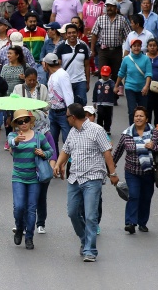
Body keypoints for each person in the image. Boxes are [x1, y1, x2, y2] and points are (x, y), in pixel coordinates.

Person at [53, 103, 120, 263]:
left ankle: (90, 250)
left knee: (90, 216)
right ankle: (84, 239)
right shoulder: (72, 132)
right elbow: (66, 151)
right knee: (72, 212)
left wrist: (113, 174)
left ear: (73, 117)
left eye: (67, 116)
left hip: (92, 178)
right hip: (74, 178)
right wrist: (58, 164)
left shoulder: (97, 130)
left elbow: (107, 153)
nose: (66, 119)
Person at [112, 106, 158, 234]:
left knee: (146, 197)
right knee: (134, 195)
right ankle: (130, 222)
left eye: (141, 116)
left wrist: (154, 146)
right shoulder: (127, 134)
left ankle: (142, 222)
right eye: (136, 116)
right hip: (131, 172)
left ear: (147, 119)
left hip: (149, 172)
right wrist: (111, 166)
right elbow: (118, 151)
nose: (138, 118)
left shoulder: (154, 133)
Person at [117, 39, 152, 125]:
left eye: (138, 46)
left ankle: (143, 129)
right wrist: (116, 85)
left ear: (141, 47)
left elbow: (149, 74)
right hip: (130, 88)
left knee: (143, 111)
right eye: (134, 46)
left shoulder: (146, 59)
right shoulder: (126, 59)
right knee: (132, 111)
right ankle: (132, 129)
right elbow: (121, 73)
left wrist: (146, 86)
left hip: (142, 88)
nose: (136, 48)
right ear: (131, 47)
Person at [42, 53, 76, 144]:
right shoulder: (52, 75)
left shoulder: (62, 74)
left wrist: (70, 110)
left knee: (67, 141)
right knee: (52, 141)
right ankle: (55, 158)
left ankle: (68, 159)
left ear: (46, 64)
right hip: (53, 112)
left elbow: (68, 93)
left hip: (63, 112)